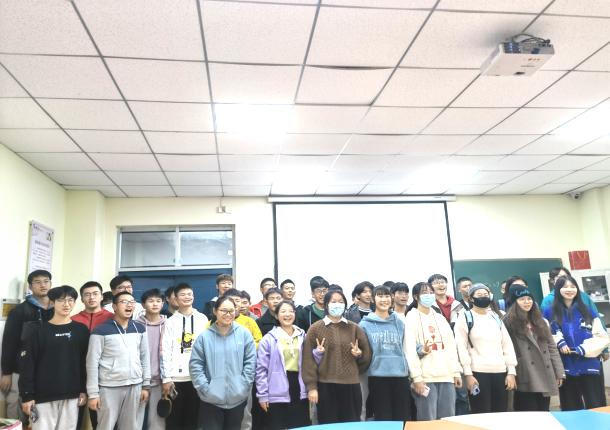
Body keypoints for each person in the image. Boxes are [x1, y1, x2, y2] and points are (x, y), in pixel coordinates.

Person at [19, 286, 89, 429]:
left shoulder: (81, 330)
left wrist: (84, 389)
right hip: (43, 396)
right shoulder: (38, 331)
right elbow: (28, 365)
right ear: (52, 302)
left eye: (70, 300)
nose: (66, 304)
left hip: (72, 395)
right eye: (61, 300)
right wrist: (27, 396)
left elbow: (85, 363)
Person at [302, 289, 372, 424]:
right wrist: (312, 387)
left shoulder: (354, 328)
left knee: (351, 424)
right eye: (333, 302)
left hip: (351, 385)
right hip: (325, 386)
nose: (337, 305)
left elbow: (366, 355)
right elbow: (307, 360)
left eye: (340, 302)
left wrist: (359, 355)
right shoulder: (315, 328)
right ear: (326, 305)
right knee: (328, 424)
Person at [543, 276, 610, 410]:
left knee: (595, 404)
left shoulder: (587, 311)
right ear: (558, 289)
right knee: (571, 406)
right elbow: (545, 335)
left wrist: (583, 349)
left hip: (589, 365)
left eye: (573, 287)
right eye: (565, 287)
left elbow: (602, 337)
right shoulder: (549, 312)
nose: (570, 290)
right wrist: (560, 342)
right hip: (565, 365)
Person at [86, 291, 151, 430]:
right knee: (105, 426)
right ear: (114, 306)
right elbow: (91, 363)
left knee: (131, 427)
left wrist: (146, 385)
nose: (129, 305)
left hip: (135, 385)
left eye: (132, 302)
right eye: (124, 302)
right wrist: (93, 394)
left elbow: (145, 357)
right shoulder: (101, 330)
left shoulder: (140, 329)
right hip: (109, 387)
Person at [190, 296, 256, 430]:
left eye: (231, 311)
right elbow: (196, 365)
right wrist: (204, 388)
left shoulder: (244, 334)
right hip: (211, 400)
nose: (228, 314)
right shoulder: (204, 337)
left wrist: (244, 385)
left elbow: (251, 362)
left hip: (238, 398)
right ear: (215, 311)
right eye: (224, 310)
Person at [454, 283, 517, 414]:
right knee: (481, 413)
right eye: (479, 295)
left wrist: (511, 372)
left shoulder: (495, 316)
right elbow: (461, 347)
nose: (483, 297)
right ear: (471, 298)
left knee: (501, 413)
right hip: (477, 373)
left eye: (486, 294)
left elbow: (507, 345)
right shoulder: (465, 317)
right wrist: (468, 375)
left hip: (501, 372)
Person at [404, 282, 462, 421]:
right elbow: (409, 350)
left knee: (448, 419)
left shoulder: (440, 318)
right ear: (416, 296)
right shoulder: (411, 317)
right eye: (425, 293)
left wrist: (455, 372)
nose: (429, 295)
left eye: (431, 292)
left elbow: (451, 347)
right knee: (428, 420)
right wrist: (417, 378)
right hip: (425, 378)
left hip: (446, 376)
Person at [1, 269, 54, 419]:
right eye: (37, 282)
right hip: (20, 369)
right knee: (16, 408)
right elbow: (9, 343)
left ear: (51, 284)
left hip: (46, 369)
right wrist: (6, 373)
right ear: (30, 287)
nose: (43, 285)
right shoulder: (19, 311)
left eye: (46, 281)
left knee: (41, 411)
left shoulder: (57, 309)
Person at [503, 284, 565, 411]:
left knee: (544, 411)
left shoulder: (540, 320)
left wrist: (559, 372)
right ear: (514, 302)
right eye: (522, 299)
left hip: (545, 371)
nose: (527, 302)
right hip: (524, 373)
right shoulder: (507, 322)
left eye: (529, 298)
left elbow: (552, 347)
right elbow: (506, 349)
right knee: (528, 414)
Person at [359, 286, 413, 421]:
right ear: (373, 299)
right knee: (383, 418)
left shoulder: (399, 323)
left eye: (387, 296)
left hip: (400, 376)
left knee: (403, 417)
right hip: (378, 377)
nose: (384, 299)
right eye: (380, 296)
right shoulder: (364, 324)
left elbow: (407, 346)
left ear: (392, 298)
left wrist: (421, 349)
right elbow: (363, 351)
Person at [161, 283, 208, 430]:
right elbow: (165, 351)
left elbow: (207, 348)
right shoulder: (170, 322)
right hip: (175, 379)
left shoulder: (202, 319)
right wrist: (166, 378)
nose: (187, 297)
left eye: (189, 294)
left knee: (193, 419)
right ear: (175, 299)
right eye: (182, 294)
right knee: (174, 420)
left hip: (198, 377)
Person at [256, 300, 310, 429]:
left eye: (291, 311)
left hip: (299, 386)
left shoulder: (303, 335)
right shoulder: (268, 339)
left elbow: (311, 361)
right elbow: (261, 370)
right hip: (276, 389)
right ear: (276, 315)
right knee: (278, 425)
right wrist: (262, 395)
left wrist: (318, 353)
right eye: (283, 311)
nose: (287, 314)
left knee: (300, 425)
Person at [71, 281, 113, 429]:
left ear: (102, 296)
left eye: (95, 294)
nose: (91, 297)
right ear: (82, 299)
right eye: (87, 295)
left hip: (102, 375)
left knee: (100, 420)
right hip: (77, 373)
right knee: (74, 419)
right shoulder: (73, 319)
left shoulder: (112, 319)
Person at [137, 289, 167, 430]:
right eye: (151, 301)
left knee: (157, 421)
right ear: (143, 304)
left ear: (163, 303)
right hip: (138, 380)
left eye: (158, 301)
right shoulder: (135, 325)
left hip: (159, 380)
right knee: (134, 419)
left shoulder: (168, 324)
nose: (155, 304)